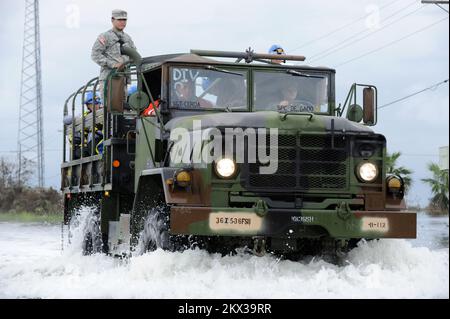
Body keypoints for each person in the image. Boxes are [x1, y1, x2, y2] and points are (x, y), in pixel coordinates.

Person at [91, 9, 137, 102]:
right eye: (119, 20)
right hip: (109, 78)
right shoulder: (105, 36)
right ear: (112, 20)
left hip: (123, 78)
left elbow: (134, 55)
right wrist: (113, 64)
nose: (122, 22)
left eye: (124, 20)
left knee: (122, 108)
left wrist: (128, 62)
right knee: (110, 107)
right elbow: (95, 55)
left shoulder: (127, 38)